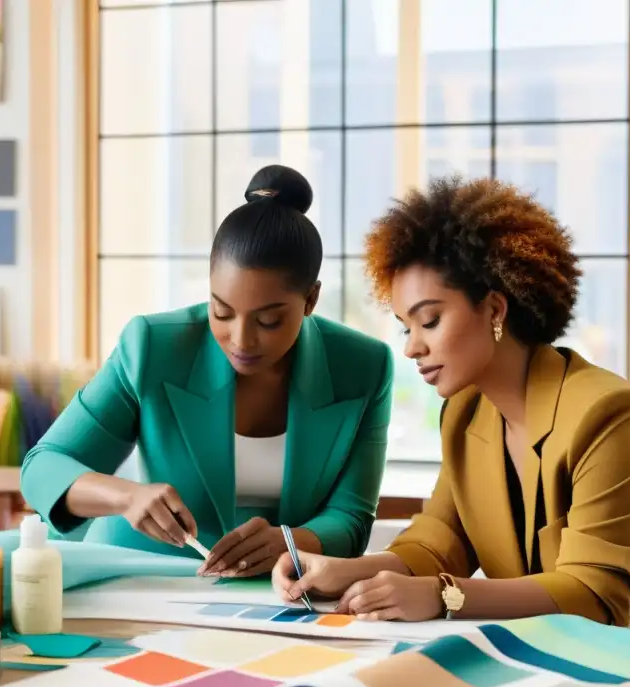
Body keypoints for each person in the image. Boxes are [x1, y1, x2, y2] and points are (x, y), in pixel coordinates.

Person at [272, 175, 630, 654]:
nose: (412, 348)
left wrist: (445, 596)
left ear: (495, 310)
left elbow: (595, 593)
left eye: (429, 320)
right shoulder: (467, 415)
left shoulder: (610, 415)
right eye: (406, 326)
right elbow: (439, 542)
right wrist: (344, 571)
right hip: (598, 657)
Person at [21, 165, 394, 576]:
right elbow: (43, 466)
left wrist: (291, 542)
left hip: (276, 593)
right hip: (139, 579)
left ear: (311, 300)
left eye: (268, 321)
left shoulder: (363, 367)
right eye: (222, 311)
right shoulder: (152, 347)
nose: (241, 339)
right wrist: (125, 497)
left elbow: (352, 518)